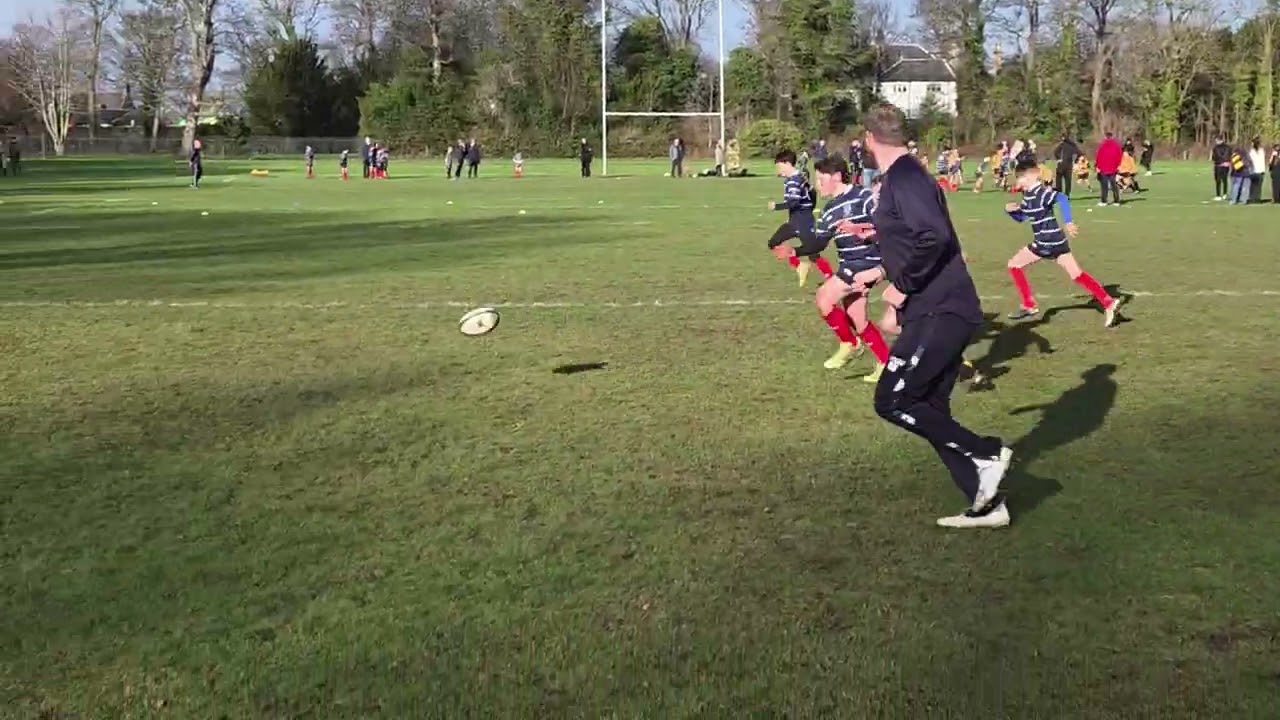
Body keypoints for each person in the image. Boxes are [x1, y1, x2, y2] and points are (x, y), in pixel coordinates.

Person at [849, 104, 1012, 529]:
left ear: (869, 138)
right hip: (938, 307)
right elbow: (916, 235)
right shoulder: (907, 175)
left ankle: (987, 453)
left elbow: (935, 237)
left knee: (894, 400)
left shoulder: (904, 175)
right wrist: (881, 256)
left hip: (940, 308)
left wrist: (900, 288)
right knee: (930, 408)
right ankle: (987, 504)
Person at [1003, 158, 1124, 328]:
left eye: (1019, 178)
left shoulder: (1042, 192)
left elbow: (1062, 197)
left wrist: (1068, 221)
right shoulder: (1028, 197)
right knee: (1077, 274)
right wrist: (1012, 211)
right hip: (1057, 242)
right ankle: (1108, 302)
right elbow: (1023, 218)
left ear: (1030, 177)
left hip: (1046, 242)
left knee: (1014, 265)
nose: (1017, 182)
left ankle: (1029, 305)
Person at [810, 156, 892, 378]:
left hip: (867, 262)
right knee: (856, 316)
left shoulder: (863, 197)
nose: (818, 184)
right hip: (850, 264)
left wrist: (860, 228)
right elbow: (818, 242)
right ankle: (885, 363)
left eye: (821, 178)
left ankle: (850, 343)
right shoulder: (828, 210)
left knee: (824, 298)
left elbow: (886, 226)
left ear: (836, 176)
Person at [766, 149, 833, 287]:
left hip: (803, 221)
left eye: (779, 165)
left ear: (787, 163)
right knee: (774, 242)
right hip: (795, 220)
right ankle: (799, 266)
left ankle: (830, 277)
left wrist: (776, 206)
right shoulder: (799, 178)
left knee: (813, 252)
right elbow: (812, 196)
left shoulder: (794, 180)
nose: (778, 169)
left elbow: (794, 202)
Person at [1094, 131, 1123, 206]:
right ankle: (1116, 201)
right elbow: (1119, 156)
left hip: (1104, 169)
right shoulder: (1116, 146)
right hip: (1113, 168)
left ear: (1105, 137)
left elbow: (1098, 157)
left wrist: (1097, 166)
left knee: (1104, 186)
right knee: (1114, 185)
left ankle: (1104, 201)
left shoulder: (1102, 146)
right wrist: (1119, 166)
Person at [1211, 135, 1231, 200]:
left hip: (1218, 165)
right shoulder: (1228, 147)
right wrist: (1227, 162)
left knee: (1218, 181)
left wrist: (1220, 162)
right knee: (1225, 180)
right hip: (1226, 165)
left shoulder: (1216, 148)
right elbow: (1229, 155)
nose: (1216, 142)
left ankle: (1218, 195)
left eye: (1217, 140)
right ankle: (1225, 194)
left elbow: (1214, 157)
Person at [1248, 137, 1266, 204]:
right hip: (1260, 170)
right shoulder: (1262, 151)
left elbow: (1249, 160)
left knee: (1252, 186)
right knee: (1258, 187)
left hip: (1253, 170)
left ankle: (1252, 198)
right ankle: (1257, 199)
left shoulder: (1251, 151)